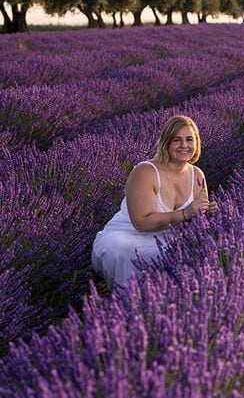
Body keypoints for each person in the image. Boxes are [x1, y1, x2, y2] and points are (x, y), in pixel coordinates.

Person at [92, 115, 216, 290]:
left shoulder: (197, 174)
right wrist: (185, 213)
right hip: (131, 235)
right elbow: (141, 223)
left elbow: (196, 217)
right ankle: (128, 302)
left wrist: (207, 211)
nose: (184, 145)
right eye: (176, 140)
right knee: (120, 249)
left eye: (190, 139)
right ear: (166, 143)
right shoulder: (145, 172)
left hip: (170, 237)